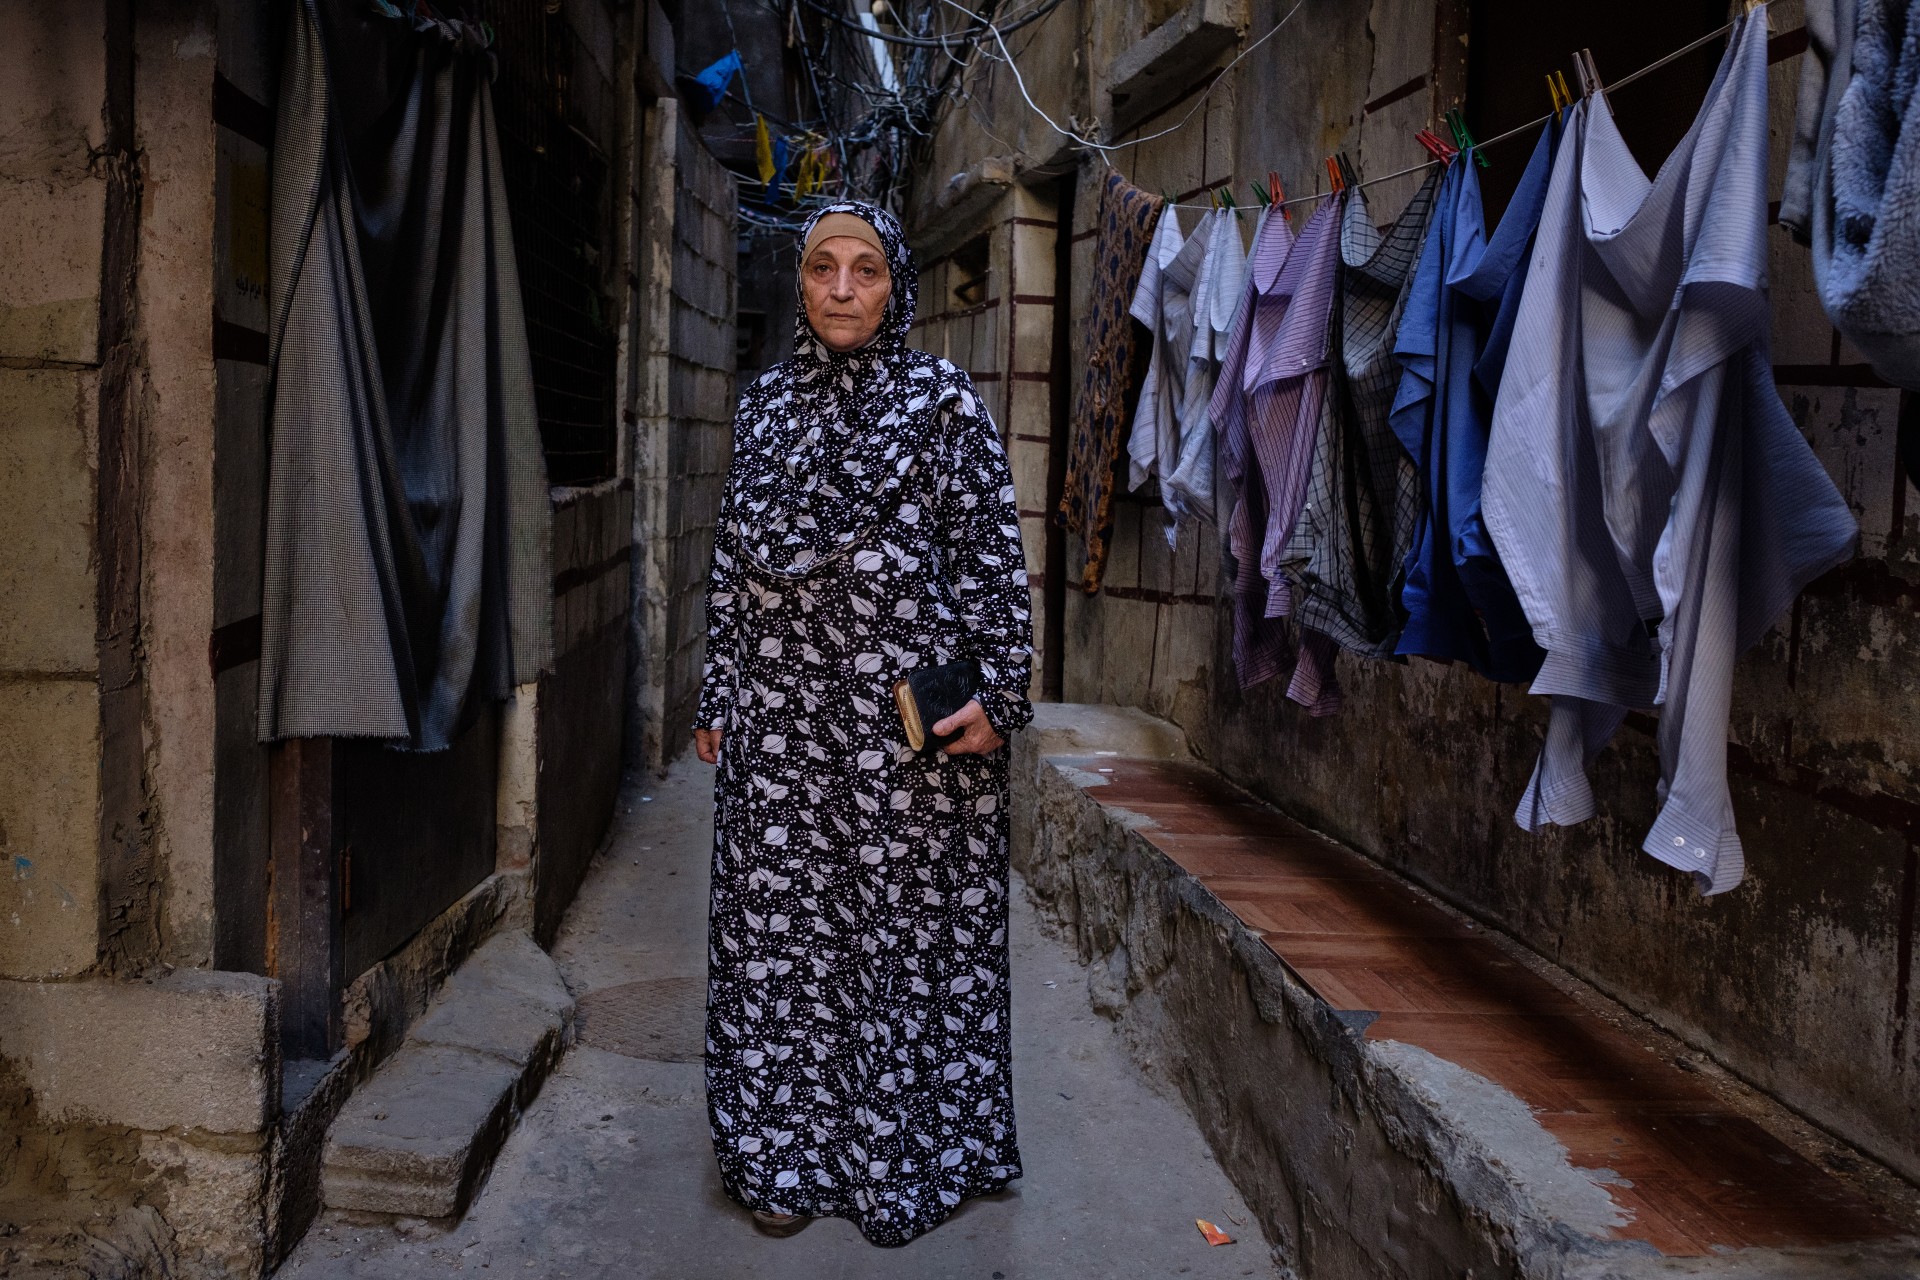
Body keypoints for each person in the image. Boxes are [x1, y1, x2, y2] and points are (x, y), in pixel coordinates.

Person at [692, 201, 1034, 1247]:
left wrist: (1002, 697)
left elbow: (992, 560)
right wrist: (718, 693)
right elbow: (730, 565)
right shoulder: (761, 410)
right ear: (798, 286)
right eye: (824, 269)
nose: (843, 290)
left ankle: (898, 1158)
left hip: (900, 750)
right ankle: (781, 1161)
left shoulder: (941, 406)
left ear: (899, 287)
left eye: (868, 271)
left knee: (895, 947)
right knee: (778, 950)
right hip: (784, 740)